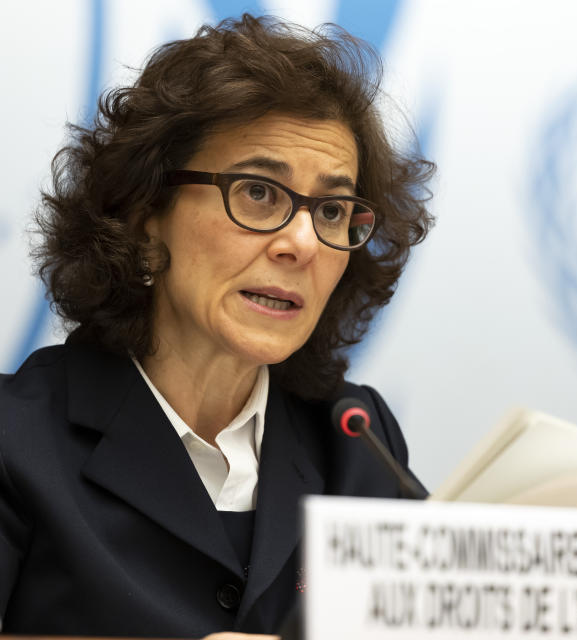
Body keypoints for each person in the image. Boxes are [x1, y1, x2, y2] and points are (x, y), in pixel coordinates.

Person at [0, 14, 433, 636]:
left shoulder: (358, 443)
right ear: (146, 214)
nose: (303, 243)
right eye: (259, 193)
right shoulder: (17, 442)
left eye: (333, 210)